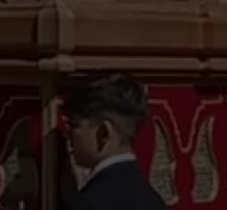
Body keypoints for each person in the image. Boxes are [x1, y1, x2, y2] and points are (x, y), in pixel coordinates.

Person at [62, 72, 166, 210]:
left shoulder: (88, 203)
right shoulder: (154, 200)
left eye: (74, 125)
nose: (67, 134)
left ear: (104, 133)